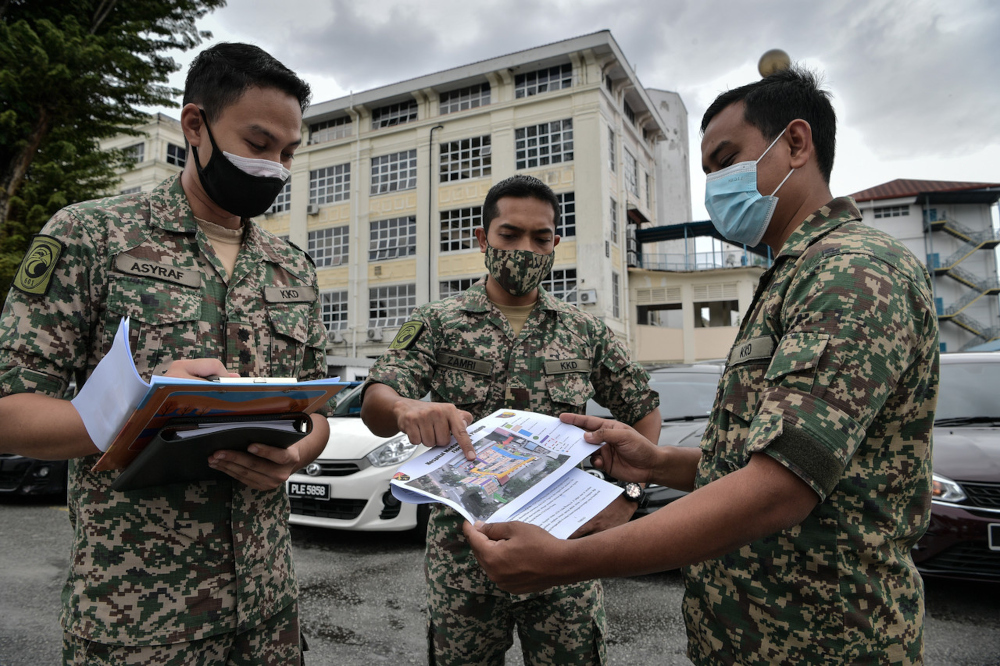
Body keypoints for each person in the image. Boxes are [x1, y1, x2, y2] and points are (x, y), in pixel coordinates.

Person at [464, 68, 940, 666]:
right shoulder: (791, 276)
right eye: (708, 172)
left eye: (725, 159)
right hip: (750, 638)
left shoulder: (851, 273)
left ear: (796, 143)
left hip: (824, 644)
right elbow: (766, 462)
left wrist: (567, 560)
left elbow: (778, 491)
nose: (715, 185)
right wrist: (659, 463)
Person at [0, 43, 330, 663]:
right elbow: (8, 411)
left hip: (268, 614)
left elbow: (312, 412)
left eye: (288, 154)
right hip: (138, 618)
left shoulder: (293, 268)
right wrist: (144, 405)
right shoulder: (91, 235)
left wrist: (294, 454)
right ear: (195, 125)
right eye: (258, 145)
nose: (276, 167)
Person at [360, 174, 661, 665]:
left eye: (540, 238)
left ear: (555, 244)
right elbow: (378, 399)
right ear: (483, 239)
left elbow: (644, 413)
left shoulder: (585, 331)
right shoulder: (440, 322)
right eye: (509, 234)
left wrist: (627, 497)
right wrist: (403, 407)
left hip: (564, 548)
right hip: (464, 555)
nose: (525, 248)